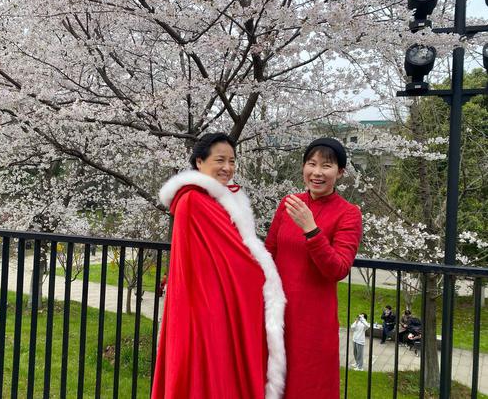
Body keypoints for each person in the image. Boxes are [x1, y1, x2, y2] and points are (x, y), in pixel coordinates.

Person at [152, 133, 286, 399]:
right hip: (204, 305)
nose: (228, 167)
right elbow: (236, 254)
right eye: (220, 160)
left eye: (233, 161)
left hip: (211, 301)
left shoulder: (214, 198)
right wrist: (266, 274)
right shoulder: (194, 200)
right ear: (200, 162)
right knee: (209, 372)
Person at [265, 137, 362, 398]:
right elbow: (268, 254)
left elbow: (338, 268)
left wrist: (312, 230)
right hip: (276, 313)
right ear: (303, 167)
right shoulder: (289, 204)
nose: (317, 172)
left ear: (340, 172)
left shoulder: (348, 213)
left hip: (313, 322)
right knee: (271, 383)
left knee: (308, 387)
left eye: (327, 166)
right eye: (311, 164)